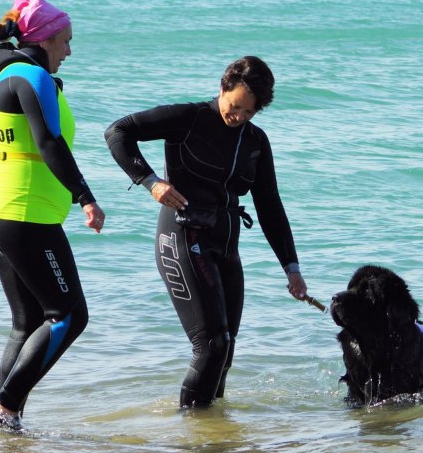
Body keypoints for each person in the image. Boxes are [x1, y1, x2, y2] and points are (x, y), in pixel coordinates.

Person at [105, 56, 308, 408]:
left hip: (226, 248)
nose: (239, 117)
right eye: (235, 107)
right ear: (223, 87)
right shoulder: (188, 119)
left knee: (224, 353)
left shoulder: (255, 142)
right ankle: (193, 444)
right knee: (212, 344)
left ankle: (211, 445)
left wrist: (292, 268)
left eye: (250, 112)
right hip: (183, 237)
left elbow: (270, 206)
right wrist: (150, 182)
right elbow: (118, 131)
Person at [0, 0, 106, 430]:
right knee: (69, 315)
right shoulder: (33, 77)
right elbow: (48, 143)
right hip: (26, 215)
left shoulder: (1, 80)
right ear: (46, 38)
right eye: (66, 41)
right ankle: (3, 409)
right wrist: (86, 197)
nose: (69, 51)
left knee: (26, 319)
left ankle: (8, 415)